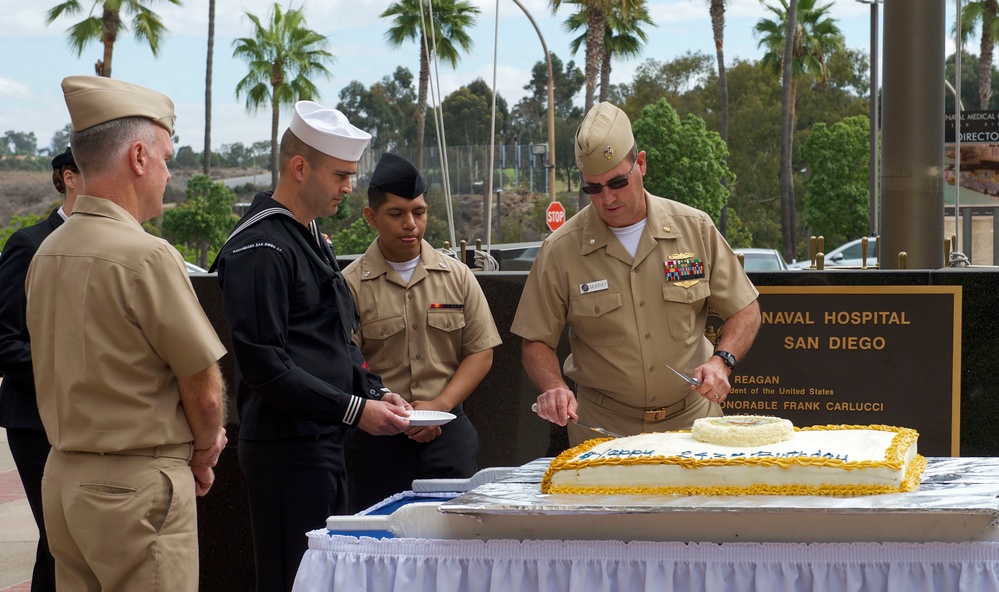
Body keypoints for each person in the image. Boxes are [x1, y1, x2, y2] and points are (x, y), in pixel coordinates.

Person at [24, 76, 228, 591]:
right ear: (138, 157)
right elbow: (202, 386)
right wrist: (205, 451)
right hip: (137, 491)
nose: (167, 173)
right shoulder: (147, 255)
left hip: (65, 481)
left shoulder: (46, 253)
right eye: (165, 157)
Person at [215, 101, 412, 592]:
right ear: (299, 168)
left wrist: (374, 391)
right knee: (295, 579)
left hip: (323, 438)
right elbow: (265, 364)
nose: (349, 187)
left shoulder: (308, 238)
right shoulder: (261, 246)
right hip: (287, 450)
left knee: (329, 580)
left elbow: (333, 339)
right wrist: (352, 409)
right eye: (341, 175)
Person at [511, 101, 761, 446]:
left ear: (640, 163)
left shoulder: (695, 229)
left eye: (617, 182)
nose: (607, 197)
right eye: (593, 189)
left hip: (693, 421)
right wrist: (554, 386)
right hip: (601, 427)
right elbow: (536, 340)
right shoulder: (561, 250)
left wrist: (722, 361)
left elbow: (746, 310)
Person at [342, 153, 502, 512]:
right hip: (377, 443)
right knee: (377, 553)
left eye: (419, 212)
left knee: (456, 552)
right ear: (371, 217)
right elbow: (347, 362)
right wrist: (391, 411)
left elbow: (481, 351)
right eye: (396, 214)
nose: (411, 224)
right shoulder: (350, 285)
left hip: (448, 436)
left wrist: (438, 408)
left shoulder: (457, 276)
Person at [0, 146, 81, 592]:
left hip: (87, 423)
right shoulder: (29, 243)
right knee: (59, 542)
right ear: (69, 177)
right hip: (36, 423)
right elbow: (5, 341)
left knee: (64, 544)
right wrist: (75, 373)